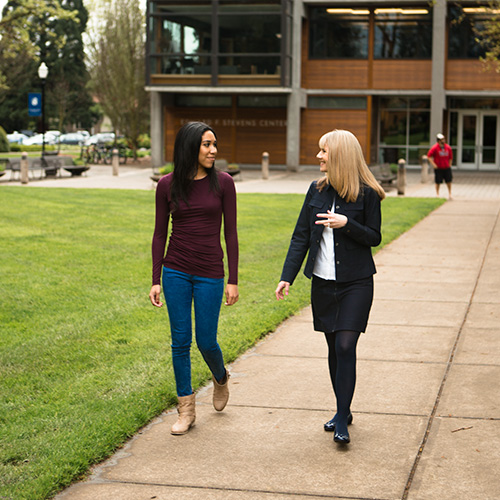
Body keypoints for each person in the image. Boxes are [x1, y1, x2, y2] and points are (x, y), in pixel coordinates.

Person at [275, 129, 385, 445]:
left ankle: (342, 422)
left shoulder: (366, 194)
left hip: (356, 283)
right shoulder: (316, 190)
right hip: (323, 285)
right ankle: (343, 409)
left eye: (324, 151)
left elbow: (374, 237)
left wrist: (346, 225)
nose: (319, 156)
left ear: (339, 156)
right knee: (333, 350)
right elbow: (300, 236)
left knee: (346, 346)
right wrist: (288, 276)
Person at [149, 121, 239, 435]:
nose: (214, 150)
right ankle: (186, 410)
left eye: (214, 144)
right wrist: (156, 278)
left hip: (210, 273)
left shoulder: (224, 183)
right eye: (207, 144)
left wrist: (233, 279)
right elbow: (160, 234)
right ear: (191, 147)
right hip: (175, 269)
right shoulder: (167, 185)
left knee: (206, 340)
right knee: (180, 342)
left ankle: (221, 376)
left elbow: (231, 234)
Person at [427, 133, 453, 199]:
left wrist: (449, 164)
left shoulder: (448, 147)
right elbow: (429, 156)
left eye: (444, 139)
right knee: (438, 181)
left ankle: (450, 194)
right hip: (438, 168)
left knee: (448, 181)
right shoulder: (435, 148)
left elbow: (451, 157)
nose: (443, 140)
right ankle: (437, 194)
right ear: (438, 140)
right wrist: (434, 164)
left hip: (446, 167)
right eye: (442, 139)